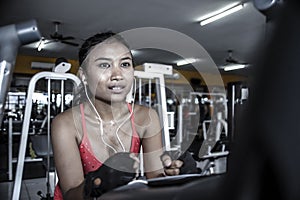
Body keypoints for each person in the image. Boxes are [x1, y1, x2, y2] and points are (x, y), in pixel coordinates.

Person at [51, 31, 184, 200]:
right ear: (84, 76)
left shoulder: (146, 117)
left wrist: (174, 174)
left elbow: (156, 179)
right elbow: (70, 194)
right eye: (104, 65)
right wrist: (97, 182)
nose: (117, 75)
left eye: (125, 64)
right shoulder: (66, 124)